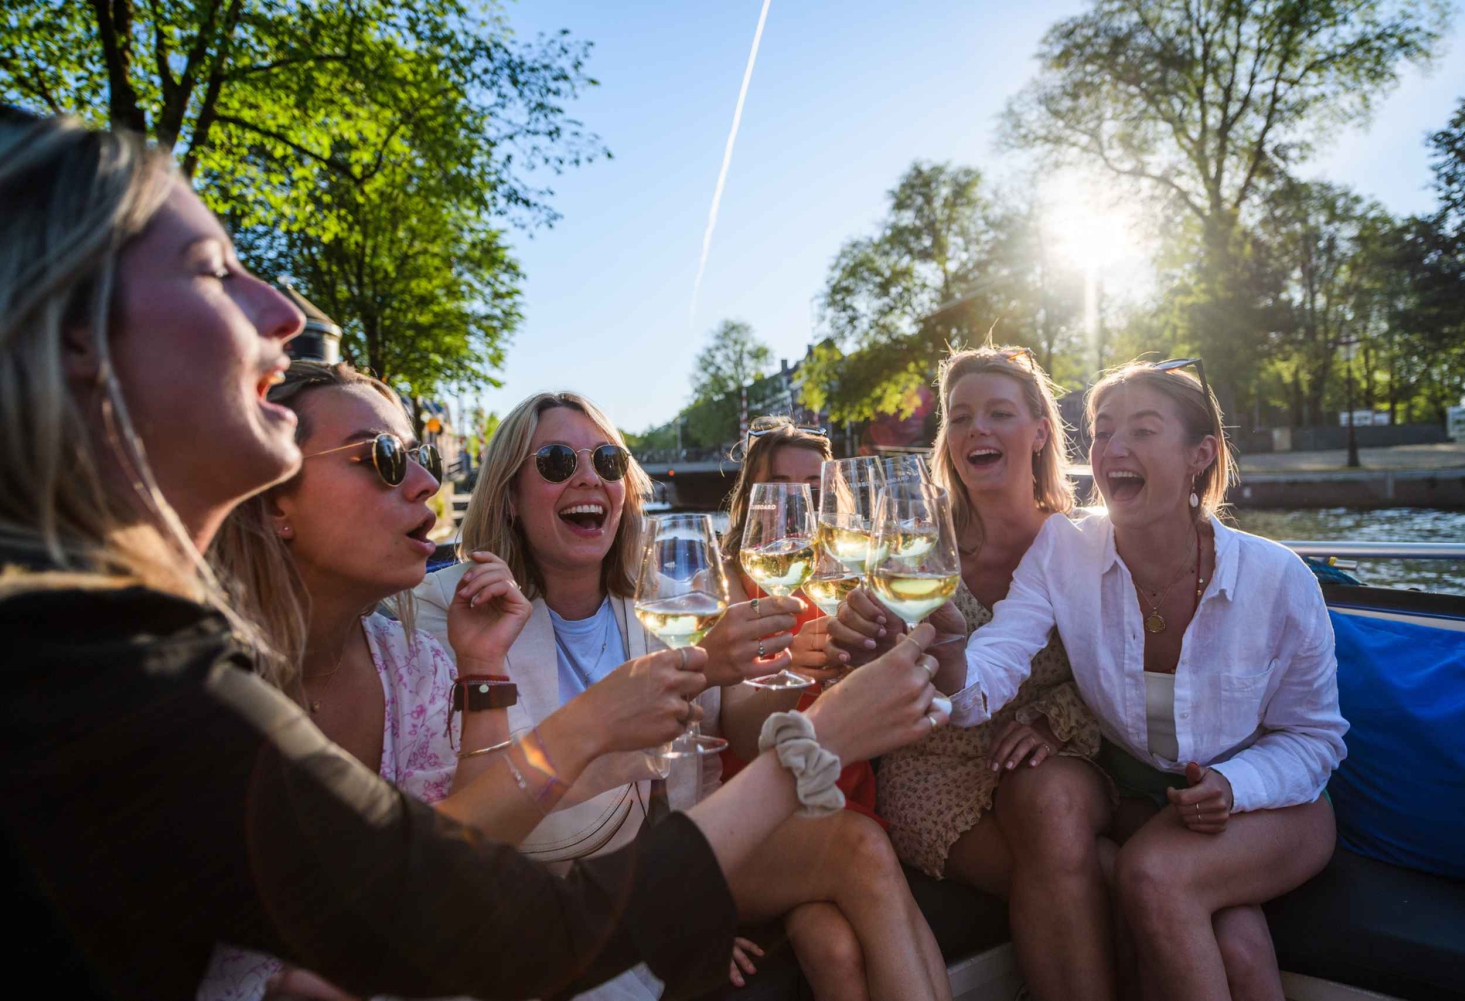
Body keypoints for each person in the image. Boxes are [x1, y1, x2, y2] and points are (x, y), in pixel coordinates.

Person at [0, 109, 951, 1001]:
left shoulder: (134, 648)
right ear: (75, 334)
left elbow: (388, 885)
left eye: (609, 460)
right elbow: (487, 914)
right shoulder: (109, 670)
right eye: (214, 270)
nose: (283, 312)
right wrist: (813, 743)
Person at [201, 361, 716, 1001]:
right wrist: (591, 727)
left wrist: (479, 669)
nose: (424, 483)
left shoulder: (413, 661)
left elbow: (461, 863)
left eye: (421, 459)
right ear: (278, 499)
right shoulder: (196, 674)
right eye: (384, 457)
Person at [414, 400, 952, 1001]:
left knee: (858, 851)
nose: (589, 477)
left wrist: (801, 671)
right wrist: (699, 671)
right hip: (562, 880)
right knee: (838, 908)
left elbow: (733, 740)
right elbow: (496, 807)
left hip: (680, 845)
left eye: (609, 460)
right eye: (558, 460)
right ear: (509, 496)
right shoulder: (455, 608)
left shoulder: (670, 595)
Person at [959, 359, 1348, 1001]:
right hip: (1146, 800)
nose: (1114, 449)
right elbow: (994, 661)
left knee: (1153, 874)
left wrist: (1233, 783)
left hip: (1280, 806)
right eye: (1104, 431)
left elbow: (1314, 739)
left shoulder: (1278, 579)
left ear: (1200, 455)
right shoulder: (1064, 550)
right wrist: (946, 656)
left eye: (1142, 430)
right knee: (1238, 946)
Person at [829, 345, 1114, 1001]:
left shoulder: (1079, 545)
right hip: (936, 773)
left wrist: (1053, 719)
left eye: (999, 413)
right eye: (960, 417)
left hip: (1049, 754)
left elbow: (1114, 668)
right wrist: (858, 647)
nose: (976, 429)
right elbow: (876, 666)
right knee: (1105, 874)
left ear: (1040, 430)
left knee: (1055, 814)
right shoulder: (913, 547)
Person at [715, 417, 950, 1001]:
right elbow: (731, 732)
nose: (800, 505)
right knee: (863, 856)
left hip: (835, 805)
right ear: (753, 501)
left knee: (834, 948)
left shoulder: (853, 583)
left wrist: (891, 651)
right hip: (751, 818)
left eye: (814, 490)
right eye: (782, 488)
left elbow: (887, 710)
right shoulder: (722, 589)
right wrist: (790, 664)